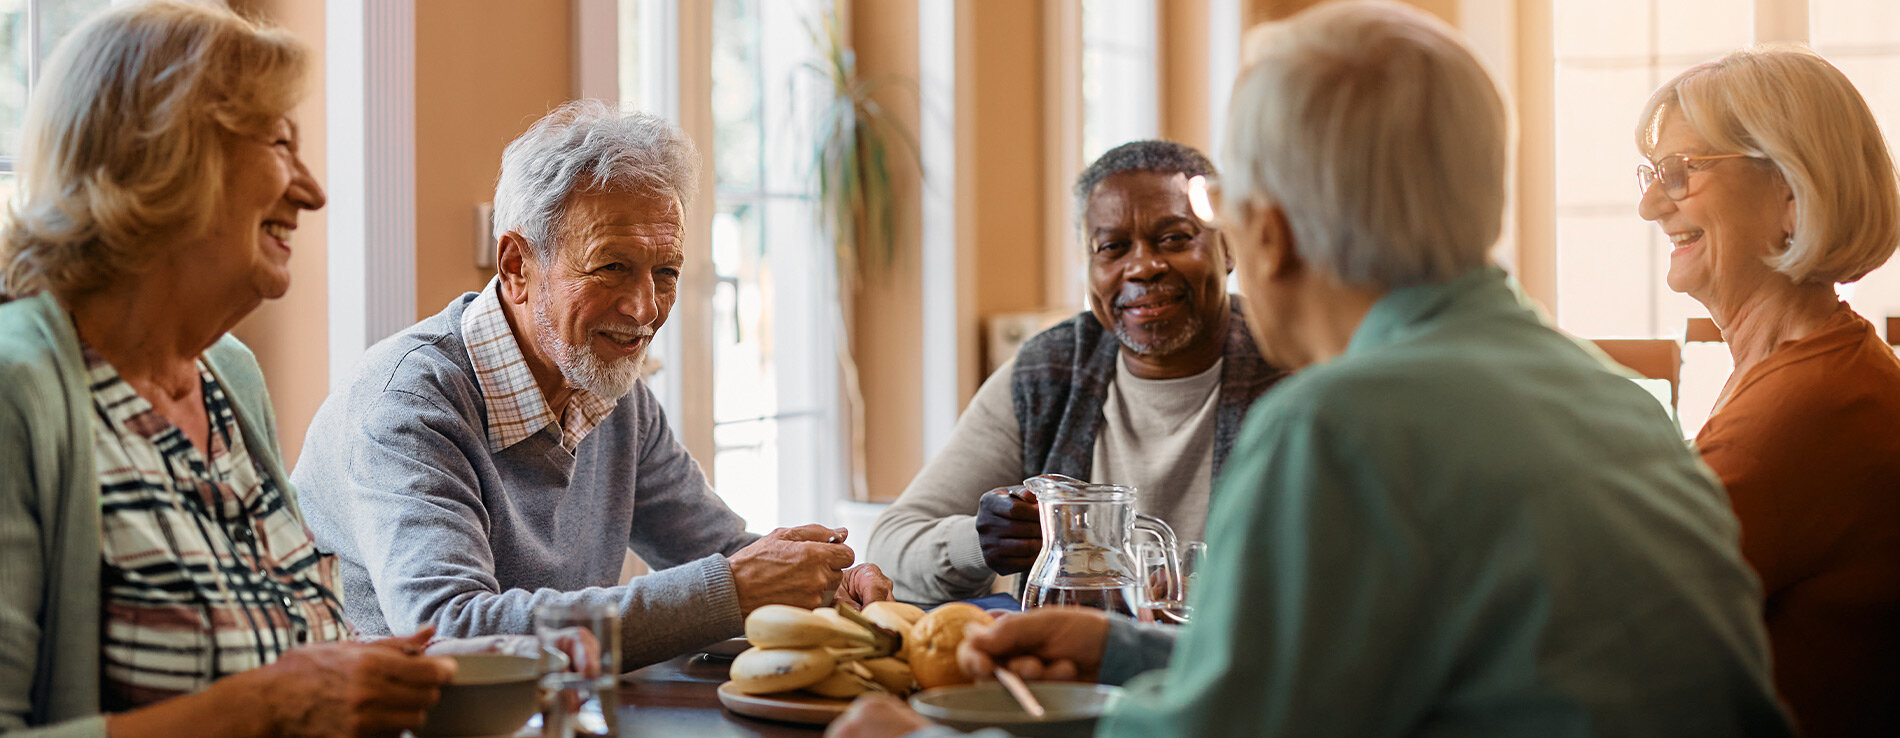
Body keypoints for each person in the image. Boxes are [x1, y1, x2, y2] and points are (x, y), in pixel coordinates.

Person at [829, 2, 1790, 736]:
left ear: (1268, 238)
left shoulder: (1337, 425)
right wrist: (1118, 646)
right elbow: (1352, 669)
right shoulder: (1618, 405)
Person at [293, 100, 892, 670]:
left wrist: (825, 580)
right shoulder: (407, 404)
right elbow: (452, 630)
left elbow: (717, 549)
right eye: (612, 267)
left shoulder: (609, 386)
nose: (644, 308)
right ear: (516, 266)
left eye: (666, 273)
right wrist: (732, 589)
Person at [0, 3, 458, 736]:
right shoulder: (18, 387)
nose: (311, 190)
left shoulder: (228, 375)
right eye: (281, 142)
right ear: (167, 156)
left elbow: (283, 648)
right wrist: (267, 708)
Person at [866, 141, 1284, 605]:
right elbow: (889, 548)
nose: (1143, 266)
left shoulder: (1292, 364)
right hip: (1067, 672)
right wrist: (978, 545)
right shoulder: (1050, 372)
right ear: (1089, 268)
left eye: (1174, 238)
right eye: (1112, 247)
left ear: (1227, 248)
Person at [1634, 46, 1900, 737]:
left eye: (1681, 173)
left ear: (1789, 191)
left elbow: (1619, 627)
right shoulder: (1822, 365)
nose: (1650, 205)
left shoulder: (1809, 405)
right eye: (1655, 175)